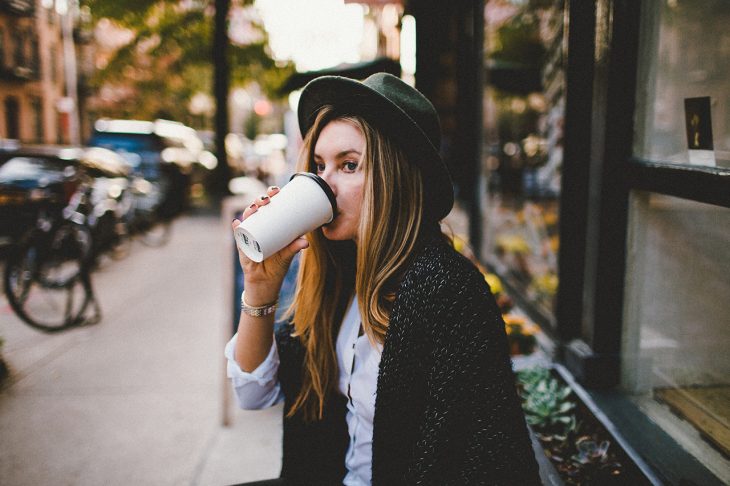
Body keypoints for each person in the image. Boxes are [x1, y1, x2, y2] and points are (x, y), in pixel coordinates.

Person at [225, 72, 541, 485]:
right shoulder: (338, 278)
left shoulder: (444, 290)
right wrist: (259, 289)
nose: (324, 183)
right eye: (319, 165)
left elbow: (482, 460)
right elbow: (253, 395)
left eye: (349, 165)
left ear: (395, 178)